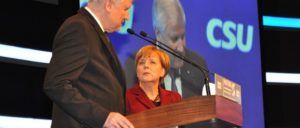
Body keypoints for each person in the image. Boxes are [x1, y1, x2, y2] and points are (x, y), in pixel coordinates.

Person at [43, 0, 134, 128]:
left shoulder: (94, 32)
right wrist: (103, 117)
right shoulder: (79, 27)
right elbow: (56, 84)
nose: (127, 16)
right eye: (125, 9)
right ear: (108, 5)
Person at [124, 0, 209, 98]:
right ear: (158, 33)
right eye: (174, 38)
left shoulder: (198, 66)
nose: (181, 47)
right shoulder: (136, 66)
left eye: (183, 36)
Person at [126, 45, 181, 114]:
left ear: (162, 71)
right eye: (141, 62)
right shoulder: (127, 98)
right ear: (137, 72)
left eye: (152, 62)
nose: (146, 66)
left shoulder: (174, 98)